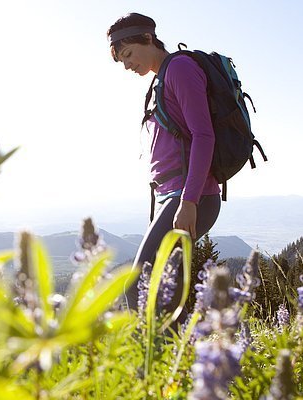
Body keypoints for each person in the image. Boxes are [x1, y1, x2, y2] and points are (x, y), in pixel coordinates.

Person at [107, 13, 221, 314]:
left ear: (148, 38)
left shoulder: (180, 69)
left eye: (129, 54)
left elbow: (204, 135)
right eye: (122, 61)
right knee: (166, 293)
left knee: (139, 284)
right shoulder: (161, 79)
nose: (128, 65)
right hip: (169, 196)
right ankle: (179, 359)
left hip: (189, 196)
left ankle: (159, 359)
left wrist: (189, 200)